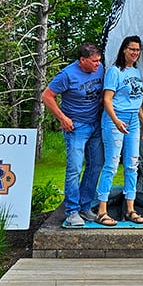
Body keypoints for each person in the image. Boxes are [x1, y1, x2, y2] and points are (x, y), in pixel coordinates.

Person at [41, 42, 104, 228]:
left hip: (95, 125)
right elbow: (46, 96)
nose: (97, 64)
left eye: (99, 61)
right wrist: (62, 118)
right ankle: (72, 212)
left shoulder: (100, 69)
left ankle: (85, 206)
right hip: (76, 127)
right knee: (75, 168)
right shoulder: (67, 75)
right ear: (82, 60)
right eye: (94, 61)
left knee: (96, 165)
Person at [96, 35, 143, 226]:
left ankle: (130, 208)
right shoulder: (114, 71)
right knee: (111, 164)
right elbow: (107, 99)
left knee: (132, 164)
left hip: (133, 120)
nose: (135, 53)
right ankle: (102, 210)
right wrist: (116, 120)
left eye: (137, 50)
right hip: (115, 120)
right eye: (131, 49)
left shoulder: (136, 73)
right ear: (124, 50)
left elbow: (137, 100)